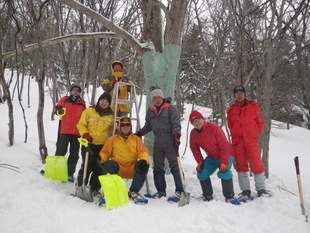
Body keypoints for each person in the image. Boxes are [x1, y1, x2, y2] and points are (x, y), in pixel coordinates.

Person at [135, 88, 184, 199]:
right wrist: (140, 133)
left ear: (162, 98)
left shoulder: (171, 109)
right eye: (154, 98)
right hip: (158, 142)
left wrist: (176, 136)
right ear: (152, 99)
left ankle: (180, 191)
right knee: (157, 167)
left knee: (175, 166)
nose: (157, 99)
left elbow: (176, 123)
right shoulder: (150, 111)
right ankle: (161, 191)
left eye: (159, 97)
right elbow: (148, 126)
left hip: (170, 141)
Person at [227, 85, 270, 201]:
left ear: (245, 94)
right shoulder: (231, 110)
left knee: (256, 163)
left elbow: (260, 122)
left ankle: (261, 189)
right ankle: (245, 191)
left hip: (251, 141)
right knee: (241, 165)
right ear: (234, 95)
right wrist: (236, 135)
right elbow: (230, 125)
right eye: (237, 93)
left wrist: (254, 134)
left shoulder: (253, 106)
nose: (239, 95)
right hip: (238, 142)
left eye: (241, 93)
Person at [99, 116, 149, 202]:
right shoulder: (112, 139)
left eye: (127, 125)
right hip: (118, 169)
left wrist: (144, 160)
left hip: (132, 169)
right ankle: (110, 192)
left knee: (143, 164)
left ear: (130, 126)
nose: (125, 127)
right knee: (109, 164)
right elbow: (105, 153)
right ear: (119, 127)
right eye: (122, 125)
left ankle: (133, 191)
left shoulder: (136, 139)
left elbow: (143, 152)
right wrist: (100, 158)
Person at [189, 110, 236, 202]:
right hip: (212, 157)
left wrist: (224, 162)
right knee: (202, 173)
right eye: (194, 121)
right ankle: (207, 195)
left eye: (198, 119)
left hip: (227, 154)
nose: (197, 123)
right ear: (192, 124)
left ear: (203, 119)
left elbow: (224, 146)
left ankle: (229, 196)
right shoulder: (193, 133)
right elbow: (194, 148)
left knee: (224, 172)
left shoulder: (214, 128)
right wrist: (200, 162)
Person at [76, 93, 114, 196]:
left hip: (102, 146)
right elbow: (81, 124)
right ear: (99, 100)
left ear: (109, 103)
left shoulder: (111, 116)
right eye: (102, 99)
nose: (104, 102)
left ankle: (94, 189)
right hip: (88, 143)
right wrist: (85, 134)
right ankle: (80, 186)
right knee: (87, 166)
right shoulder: (89, 111)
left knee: (99, 168)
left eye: (107, 101)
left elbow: (112, 131)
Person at [54, 85, 86, 182]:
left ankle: (69, 173)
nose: (76, 92)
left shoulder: (82, 103)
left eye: (78, 91)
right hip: (65, 130)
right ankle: (56, 170)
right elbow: (57, 112)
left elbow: (85, 116)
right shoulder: (64, 99)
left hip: (77, 132)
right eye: (74, 90)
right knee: (61, 150)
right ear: (70, 91)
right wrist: (58, 109)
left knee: (74, 154)